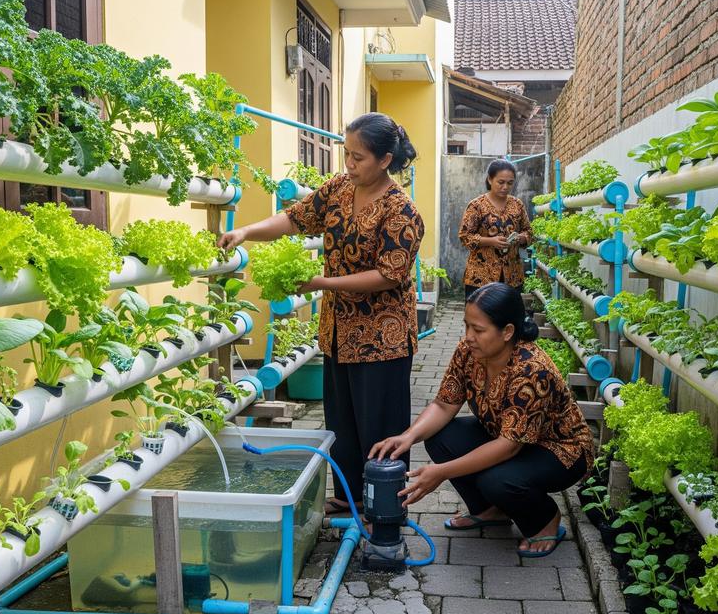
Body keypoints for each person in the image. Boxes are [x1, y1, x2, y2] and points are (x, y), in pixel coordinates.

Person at [219, 112, 424, 516]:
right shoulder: (338, 189)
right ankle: (348, 497)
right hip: (338, 332)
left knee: (381, 428)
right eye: (347, 154)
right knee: (342, 424)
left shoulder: (402, 211)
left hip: (382, 338)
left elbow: (388, 275)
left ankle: (385, 508)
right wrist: (245, 231)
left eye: (359, 157)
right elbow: (293, 219)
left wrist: (320, 284)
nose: (349, 164)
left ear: (385, 160)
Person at [369, 282, 594, 557]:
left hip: (560, 451)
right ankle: (491, 510)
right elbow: (443, 405)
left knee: (497, 479)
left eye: (478, 330)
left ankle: (544, 521)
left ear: (508, 332)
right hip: (505, 436)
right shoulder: (468, 351)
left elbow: (508, 447)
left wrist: (440, 473)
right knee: (440, 439)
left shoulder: (531, 371)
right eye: (467, 326)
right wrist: (408, 436)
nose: (468, 337)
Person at [458, 160, 531, 299]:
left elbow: (528, 231)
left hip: (512, 275)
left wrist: (520, 238)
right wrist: (491, 241)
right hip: (481, 276)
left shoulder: (517, 205)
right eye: (501, 182)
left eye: (510, 183)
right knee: (481, 318)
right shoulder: (476, 206)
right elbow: (465, 236)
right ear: (490, 179)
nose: (505, 187)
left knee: (508, 318)